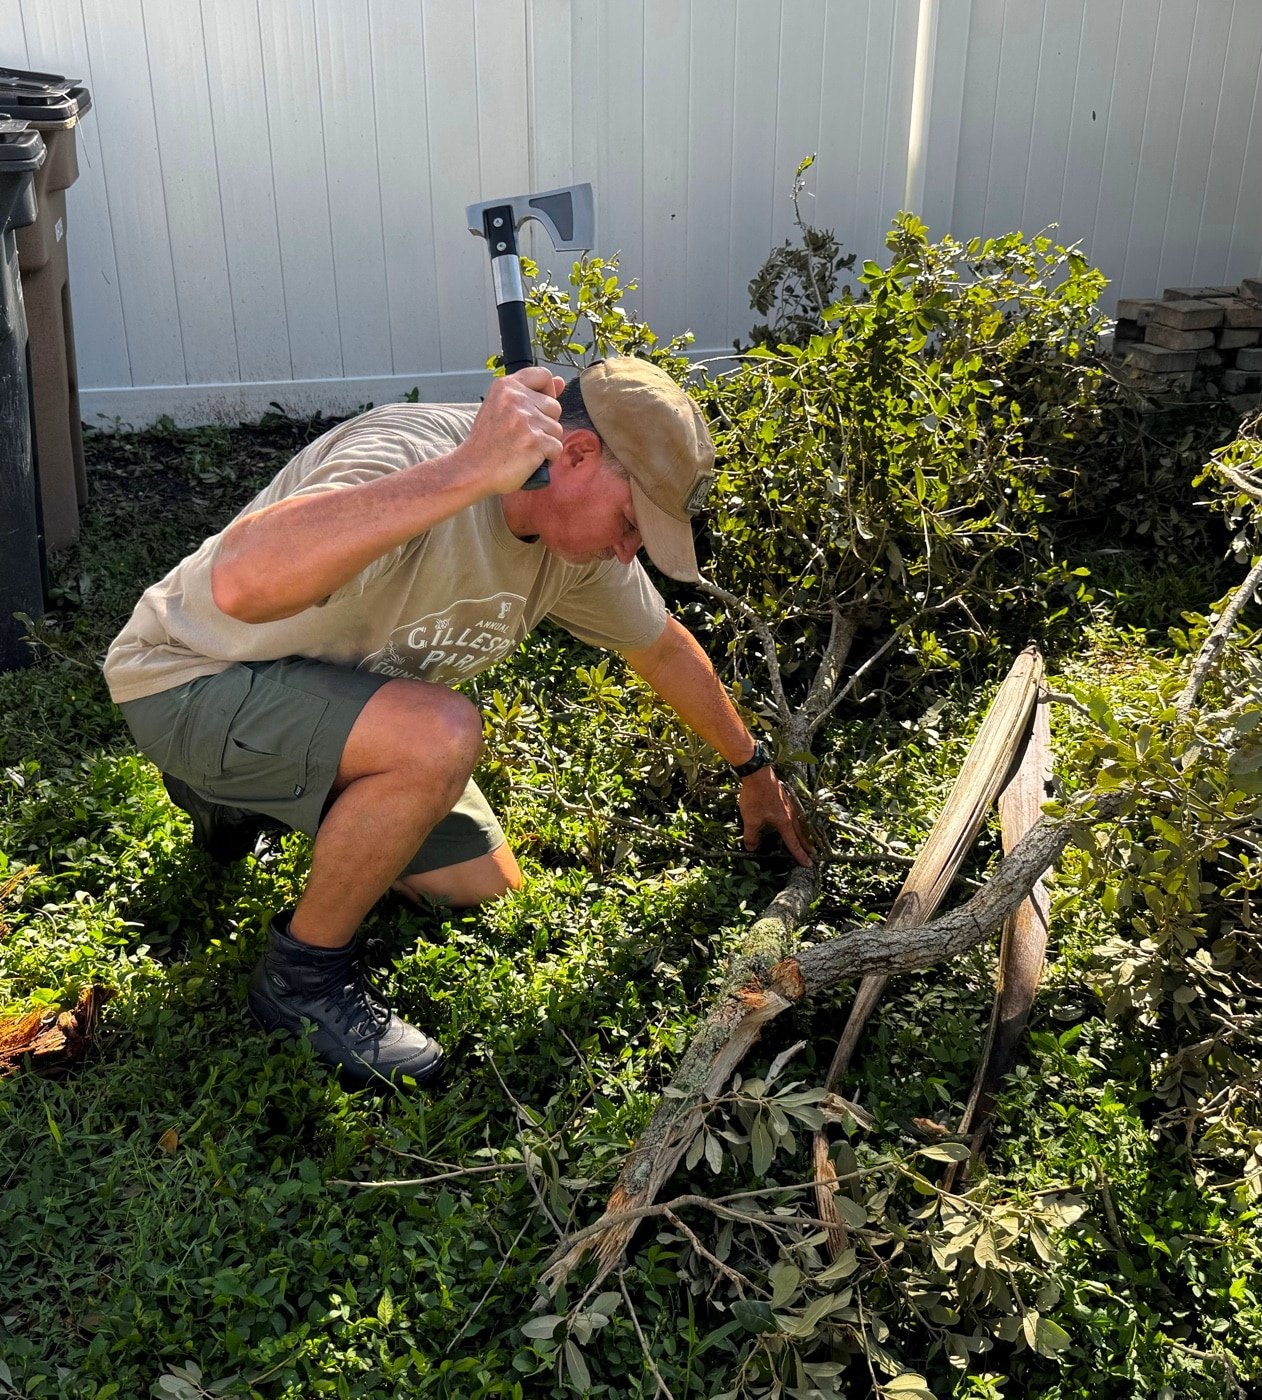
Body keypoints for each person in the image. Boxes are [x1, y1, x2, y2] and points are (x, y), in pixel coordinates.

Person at [104, 357, 811, 1088]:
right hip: (193, 677)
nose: (628, 550)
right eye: (631, 522)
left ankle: (241, 793)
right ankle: (301, 980)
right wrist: (470, 471)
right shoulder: (418, 452)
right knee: (440, 736)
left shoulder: (577, 556)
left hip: (331, 698)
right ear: (574, 454)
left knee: (484, 884)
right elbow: (242, 581)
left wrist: (751, 768)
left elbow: (660, 648)